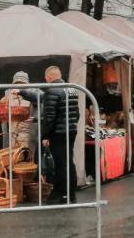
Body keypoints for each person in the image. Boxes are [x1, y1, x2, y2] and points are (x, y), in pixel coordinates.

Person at [40, 66, 80, 204]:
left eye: (46, 79)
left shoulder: (51, 90)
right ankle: (71, 193)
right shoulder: (72, 89)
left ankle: (63, 194)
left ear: (49, 77)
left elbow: (49, 117)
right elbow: (77, 113)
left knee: (61, 164)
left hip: (58, 132)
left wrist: (45, 136)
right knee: (69, 161)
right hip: (71, 130)